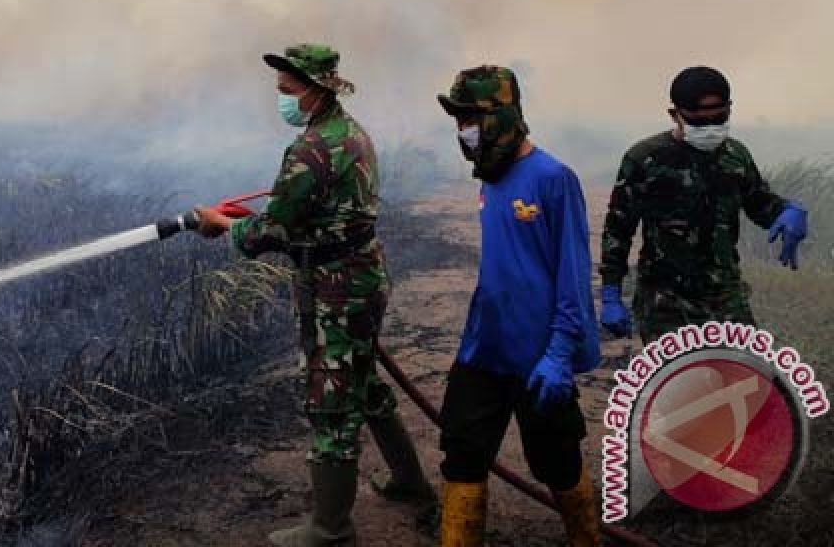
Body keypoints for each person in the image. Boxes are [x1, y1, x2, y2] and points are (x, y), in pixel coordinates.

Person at [194, 43, 434, 546]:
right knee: (365, 384)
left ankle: (330, 529)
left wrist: (222, 225)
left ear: (315, 89)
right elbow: (310, 211)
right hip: (364, 277)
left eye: (286, 91)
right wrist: (262, 219)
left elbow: (271, 232)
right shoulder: (350, 133)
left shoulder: (309, 149)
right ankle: (410, 480)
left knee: (331, 402)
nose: (280, 99)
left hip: (335, 289)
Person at [435, 65, 602, 547]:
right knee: (462, 454)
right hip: (484, 348)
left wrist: (559, 353)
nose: (462, 130)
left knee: (558, 463)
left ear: (503, 116)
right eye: (457, 119)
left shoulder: (553, 178)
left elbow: (571, 274)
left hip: (539, 357)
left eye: (470, 117)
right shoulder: (490, 175)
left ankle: (586, 539)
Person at [598, 65, 809, 342]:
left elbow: (759, 204)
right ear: (675, 115)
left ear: (730, 110)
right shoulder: (645, 159)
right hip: (665, 302)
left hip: (725, 296)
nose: (710, 128)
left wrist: (787, 211)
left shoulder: (736, 156)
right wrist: (611, 293)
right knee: (679, 382)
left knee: (747, 376)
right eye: (699, 122)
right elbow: (618, 229)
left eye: (719, 118)